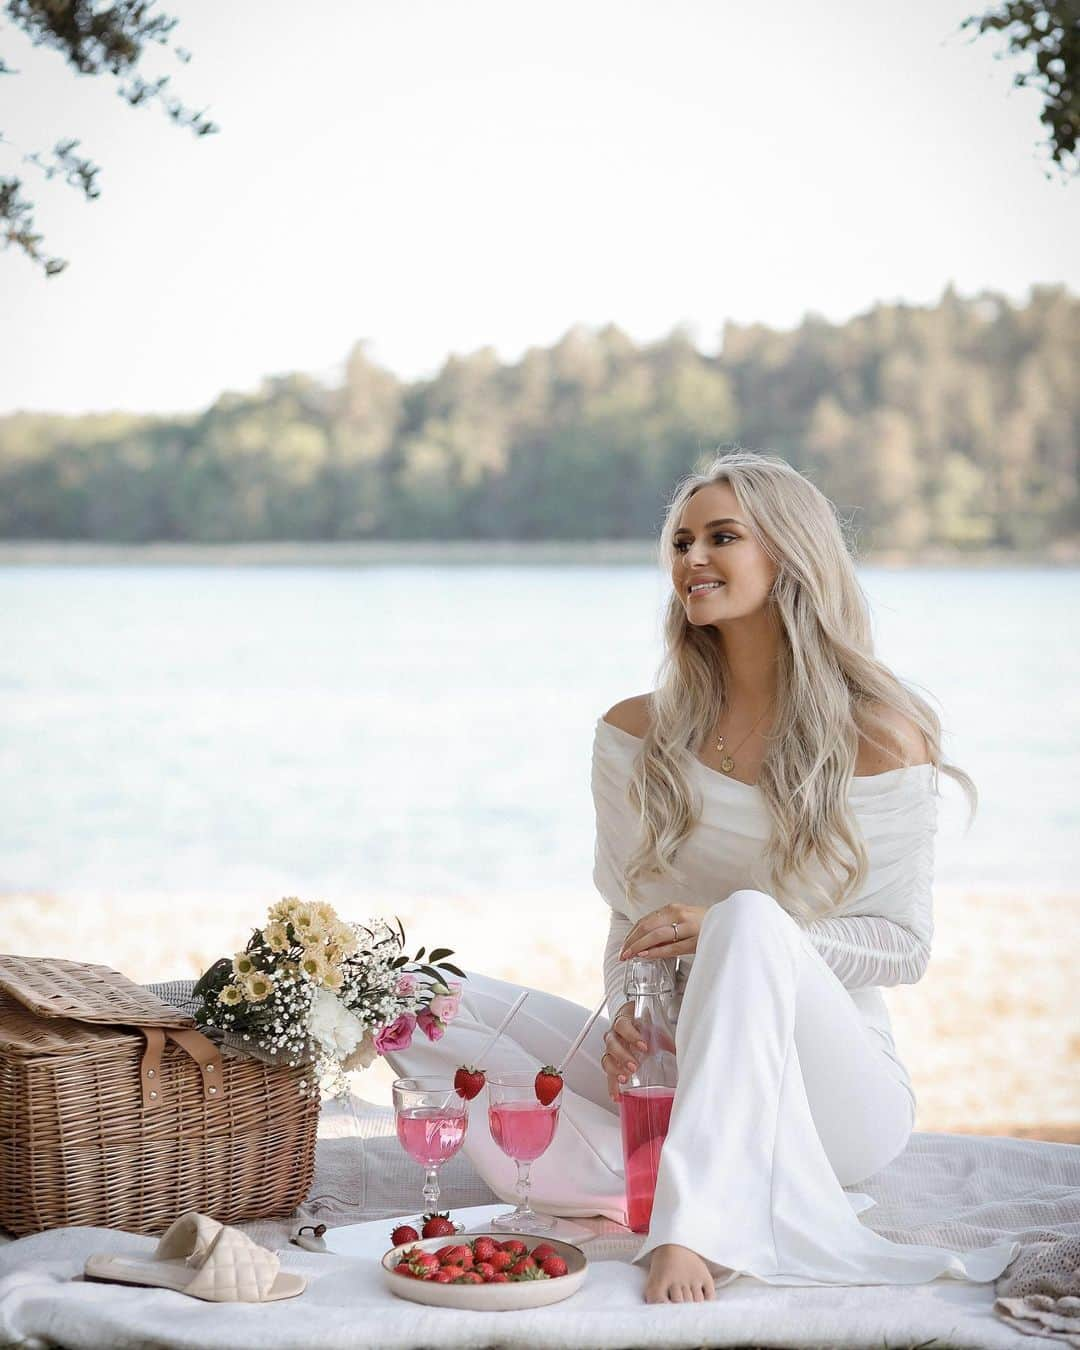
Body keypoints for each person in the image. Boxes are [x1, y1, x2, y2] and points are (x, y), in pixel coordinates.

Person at [383, 449, 1020, 1303]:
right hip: (674, 1068)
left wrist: (734, 928)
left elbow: (902, 948)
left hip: (836, 1101)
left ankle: (693, 1226)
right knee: (416, 994)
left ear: (788, 555)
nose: (692, 559)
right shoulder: (636, 733)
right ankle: (629, 1153)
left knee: (751, 917)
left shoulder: (879, 736)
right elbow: (628, 921)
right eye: (680, 542)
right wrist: (634, 1019)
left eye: (723, 537)